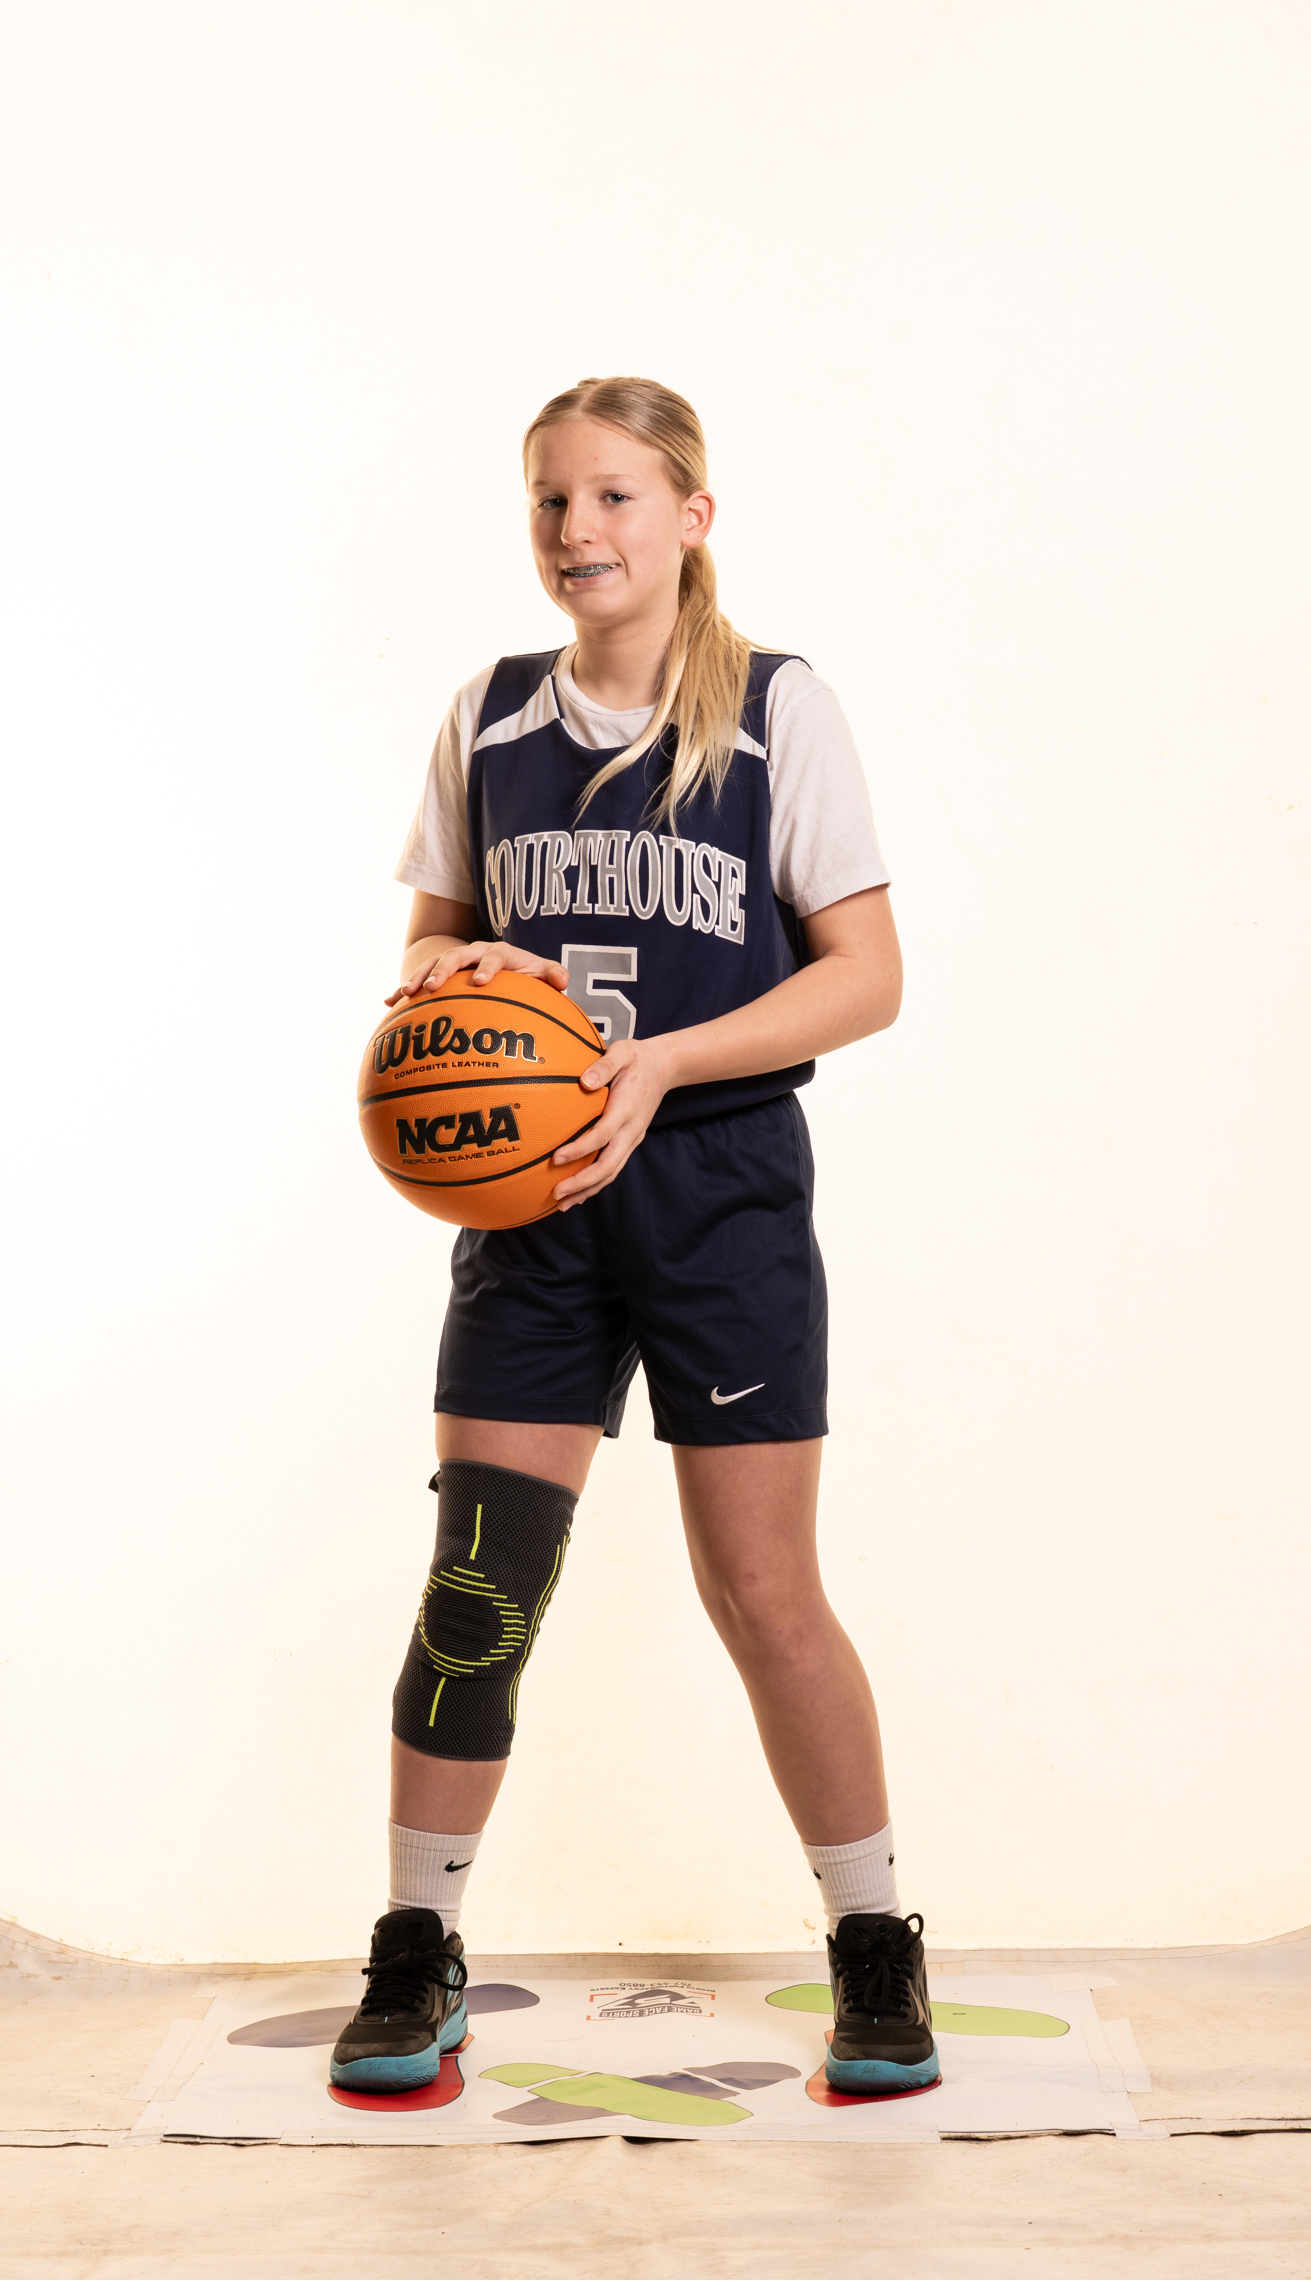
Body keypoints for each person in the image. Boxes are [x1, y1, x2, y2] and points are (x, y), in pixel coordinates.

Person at [331, 375, 935, 2099]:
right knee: (479, 1583)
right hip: (530, 1209)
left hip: (716, 1188)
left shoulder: (776, 708)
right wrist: (457, 973)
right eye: (550, 499)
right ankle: (418, 1939)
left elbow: (867, 977)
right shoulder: (487, 718)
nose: (577, 529)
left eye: (611, 496)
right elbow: (425, 947)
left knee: (762, 1589)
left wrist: (664, 1059)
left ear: (689, 515)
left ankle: (872, 1937)